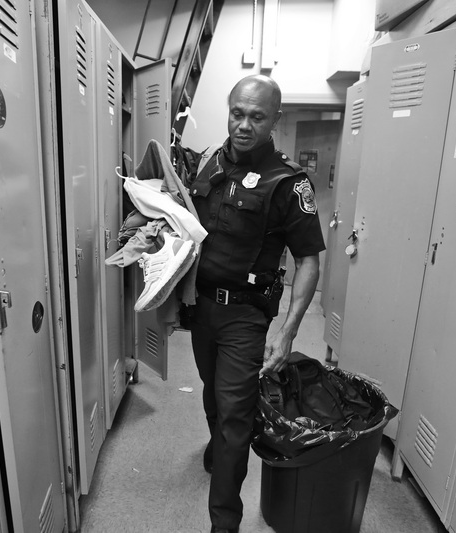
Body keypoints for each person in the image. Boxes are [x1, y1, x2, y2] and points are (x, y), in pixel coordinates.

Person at [185, 74, 325, 533]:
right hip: (201, 308)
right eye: (237, 114)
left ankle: (224, 524)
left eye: (256, 117)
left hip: (245, 316)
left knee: (235, 419)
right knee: (212, 392)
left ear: (274, 121)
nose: (244, 125)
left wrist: (286, 333)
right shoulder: (207, 163)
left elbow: (308, 261)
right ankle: (217, 444)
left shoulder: (288, 182)